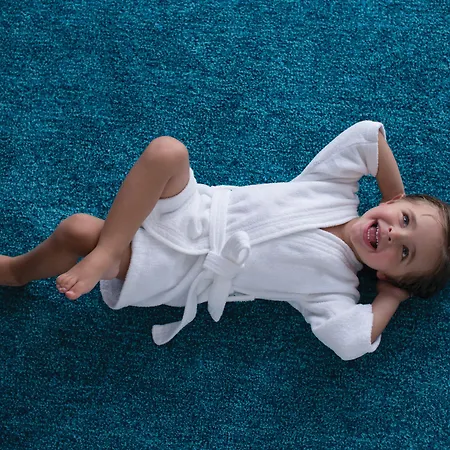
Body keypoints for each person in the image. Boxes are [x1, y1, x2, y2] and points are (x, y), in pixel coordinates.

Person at [1, 121, 449, 360]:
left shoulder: (335, 288)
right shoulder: (335, 189)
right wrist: (393, 195)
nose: (393, 233)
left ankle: (17, 272)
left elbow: (349, 340)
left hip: (186, 269)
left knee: (76, 230)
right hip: (196, 209)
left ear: (390, 273)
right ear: (395, 202)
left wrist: (390, 297)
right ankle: (108, 250)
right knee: (167, 151)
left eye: (403, 252)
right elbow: (368, 137)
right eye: (404, 218)